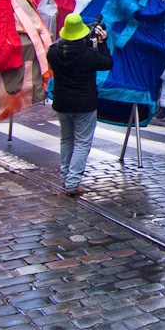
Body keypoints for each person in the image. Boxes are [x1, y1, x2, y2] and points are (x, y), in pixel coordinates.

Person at [47, 13, 113, 196]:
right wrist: (102, 44)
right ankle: (72, 183)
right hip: (84, 104)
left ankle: (65, 178)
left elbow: (65, 53)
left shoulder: (53, 52)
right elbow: (107, 63)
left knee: (66, 140)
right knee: (82, 143)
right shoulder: (88, 55)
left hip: (62, 103)